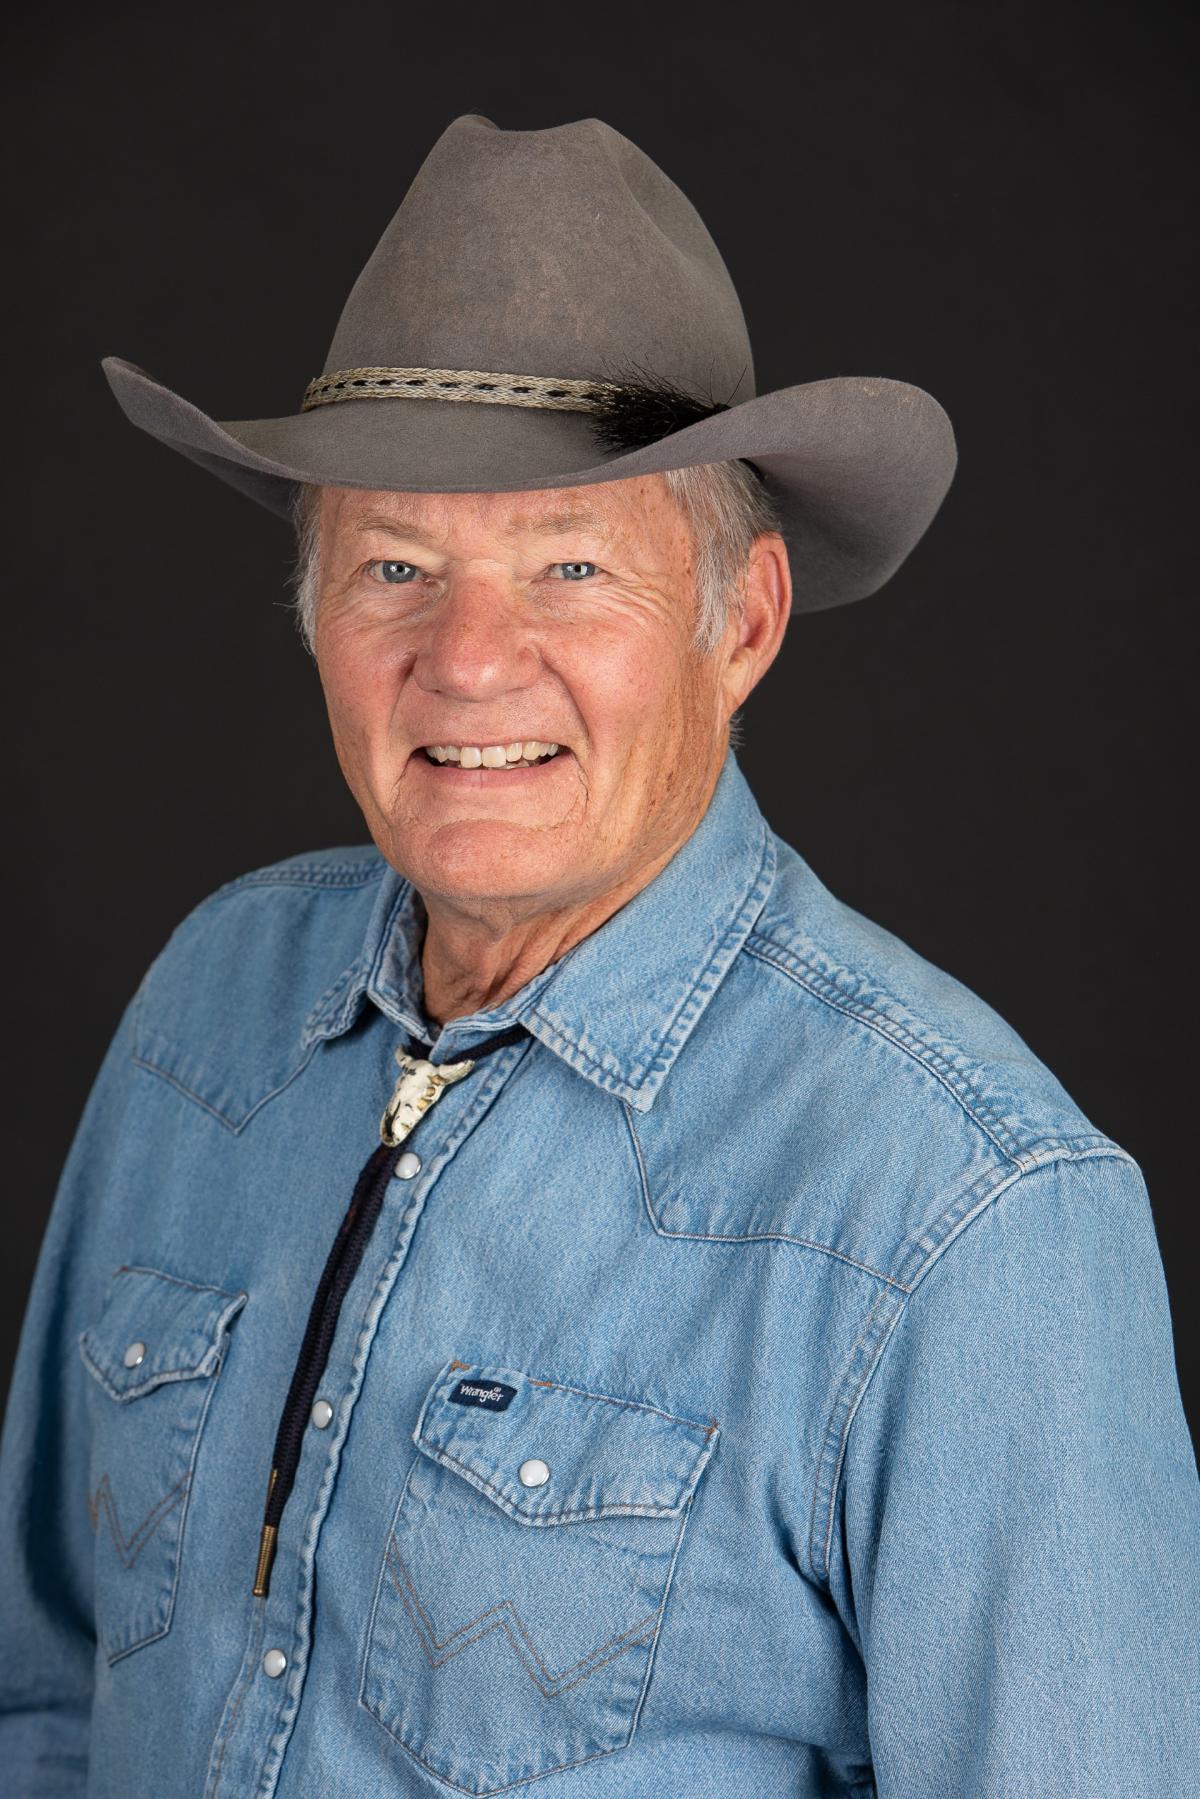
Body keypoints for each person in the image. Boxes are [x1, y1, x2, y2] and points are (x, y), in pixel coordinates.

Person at [1, 113, 1195, 1799]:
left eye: (571, 567)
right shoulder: (208, 1015)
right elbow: (42, 1698)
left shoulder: (965, 1212)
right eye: (395, 567)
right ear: (314, 611)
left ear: (745, 623)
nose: (470, 662)